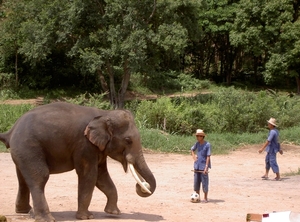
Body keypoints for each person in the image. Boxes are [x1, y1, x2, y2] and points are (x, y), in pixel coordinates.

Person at [190, 129, 211, 203]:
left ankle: (205, 198)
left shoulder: (207, 145)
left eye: (198, 136)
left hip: (203, 166)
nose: (197, 137)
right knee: (196, 182)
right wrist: (194, 156)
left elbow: (208, 156)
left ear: (202, 136)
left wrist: (206, 166)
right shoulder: (197, 144)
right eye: (197, 136)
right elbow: (192, 149)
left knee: (205, 182)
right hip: (197, 166)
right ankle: (197, 197)